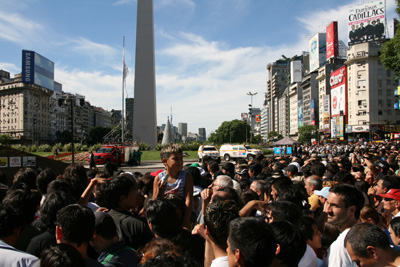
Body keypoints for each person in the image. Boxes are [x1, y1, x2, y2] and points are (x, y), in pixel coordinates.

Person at [100, 175, 153, 250]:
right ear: (122, 198)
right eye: (132, 192)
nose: (136, 194)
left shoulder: (103, 220)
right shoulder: (140, 224)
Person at [153, 144, 194, 228]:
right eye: (175, 159)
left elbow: (188, 201)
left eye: (181, 158)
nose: (180, 162)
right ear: (165, 161)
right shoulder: (159, 178)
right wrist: (160, 192)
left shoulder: (186, 176)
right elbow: (155, 202)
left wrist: (185, 222)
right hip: (164, 219)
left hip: (181, 218)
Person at [325, 184, 364, 266]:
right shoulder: (366, 232)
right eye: (327, 203)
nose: (327, 210)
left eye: (334, 206)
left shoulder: (340, 246)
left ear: (351, 210)